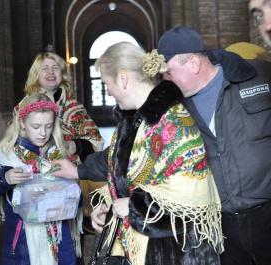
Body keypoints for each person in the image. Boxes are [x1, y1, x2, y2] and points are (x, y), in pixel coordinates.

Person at [52, 42, 223, 264]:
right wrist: (111, 210)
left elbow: (191, 202)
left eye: (106, 83)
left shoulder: (174, 122)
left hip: (172, 253)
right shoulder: (133, 120)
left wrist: (133, 207)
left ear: (122, 78)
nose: (108, 91)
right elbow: (122, 170)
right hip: (136, 247)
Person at [157, 25, 271, 265]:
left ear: (194, 64)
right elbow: (137, 145)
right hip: (220, 228)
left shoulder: (260, 76)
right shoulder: (171, 105)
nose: (164, 79)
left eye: (167, 72)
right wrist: (81, 168)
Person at [0, 93, 84, 265]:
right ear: (22, 123)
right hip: (23, 246)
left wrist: (70, 192)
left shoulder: (59, 154)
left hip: (61, 243)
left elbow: (78, 201)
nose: (43, 133)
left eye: (48, 126)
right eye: (36, 126)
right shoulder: (7, 155)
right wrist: (5, 179)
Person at [15, 52, 105, 236]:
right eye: (44, 68)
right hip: (36, 186)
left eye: (55, 67)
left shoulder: (74, 107)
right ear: (36, 75)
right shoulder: (24, 107)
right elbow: (13, 142)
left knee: (70, 241)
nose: (50, 72)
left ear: (62, 74)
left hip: (70, 187)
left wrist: (76, 145)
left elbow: (96, 140)